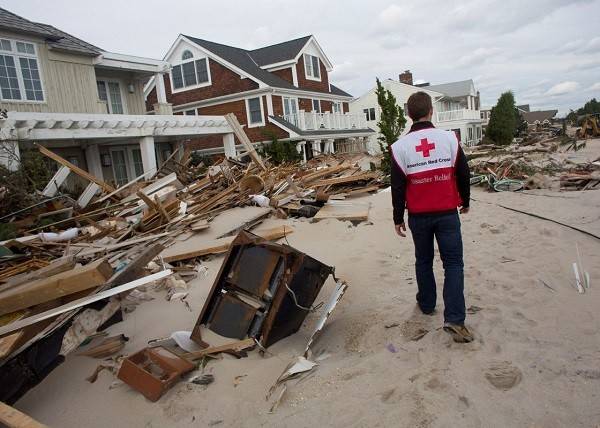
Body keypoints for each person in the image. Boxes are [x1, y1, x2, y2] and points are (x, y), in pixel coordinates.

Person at [389, 91, 473, 343]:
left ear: (408, 114)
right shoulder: (448, 139)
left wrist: (397, 217)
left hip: (419, 215)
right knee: (453, 264)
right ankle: (455, 319)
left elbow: (397, 186)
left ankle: (427, 304)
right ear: (431, 111)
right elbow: (463, 173)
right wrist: (465, 201)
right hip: (447, 212)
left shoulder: (399, 147)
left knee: (423, 260)